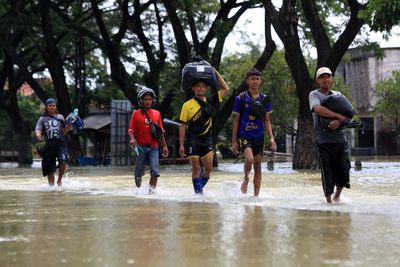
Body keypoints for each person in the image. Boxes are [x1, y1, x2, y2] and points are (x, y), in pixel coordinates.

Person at [179, 68, 229, 194]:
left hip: (207, 141)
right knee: (195, 168)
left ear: (206, 89)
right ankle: (198, 195)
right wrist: (181, 145)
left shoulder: (211, 101)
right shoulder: (187, 105)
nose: (200, 88)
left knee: (208, 170)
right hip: (192, 140)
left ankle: (198, 190)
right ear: (193, 89)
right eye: (197, 86)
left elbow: (225, 89)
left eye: (203, 86)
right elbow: (182, 126)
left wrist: (215, 72)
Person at [231, 68, 276, 197]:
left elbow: (267, 120)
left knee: (258, 166)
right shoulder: (241, 98)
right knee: (249, 159)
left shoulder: (265, 99)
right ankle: (245, 177)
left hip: (259, 136)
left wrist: (271, 138)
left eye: (257, 79)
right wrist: (234, 141)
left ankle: (256, 197)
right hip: (245, 135)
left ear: (260, 81)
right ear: (247, 81)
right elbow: (236, 120)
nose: (255, 81)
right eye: (252, 79)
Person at [309, 67, 351, 203]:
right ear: (318, 80)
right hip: (323, 140)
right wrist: (338, 116)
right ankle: (328, 201)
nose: (326, 79)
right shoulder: (314, 95)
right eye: (322, 77)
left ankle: (337, 196)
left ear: (332, 79)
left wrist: (339, 122)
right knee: (327, 171)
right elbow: (318, 109)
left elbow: (349, 115)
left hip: (340, 139)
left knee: (344, 169)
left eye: (328, 77)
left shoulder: (339, 95)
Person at [128, 87, 169, 194]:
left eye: (149, 99)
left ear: (153, 100)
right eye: (145, 99)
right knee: (138, 174)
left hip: (153, 147)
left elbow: (160, 132)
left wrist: (164, 146)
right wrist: (132, 139)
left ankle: (151, 194)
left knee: (155, 172)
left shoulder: (157, 113)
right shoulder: (136, 113)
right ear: (141, 101)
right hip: (140, 147)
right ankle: (139, 192)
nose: (147, 101)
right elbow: (131, 129)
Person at [35, 98, 73, 186]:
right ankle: (51, 187)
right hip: (49, 145)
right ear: (46, 107)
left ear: (55, 107)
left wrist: (70, 125)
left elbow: (64, 132)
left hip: (60, 143)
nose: (52, 107)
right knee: (49, 169)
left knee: (63, 161)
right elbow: (38, 129)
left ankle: (59, 180)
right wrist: (38, 135)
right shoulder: (42, 119)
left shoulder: (60, 117)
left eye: (54, 105)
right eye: (50, 106)